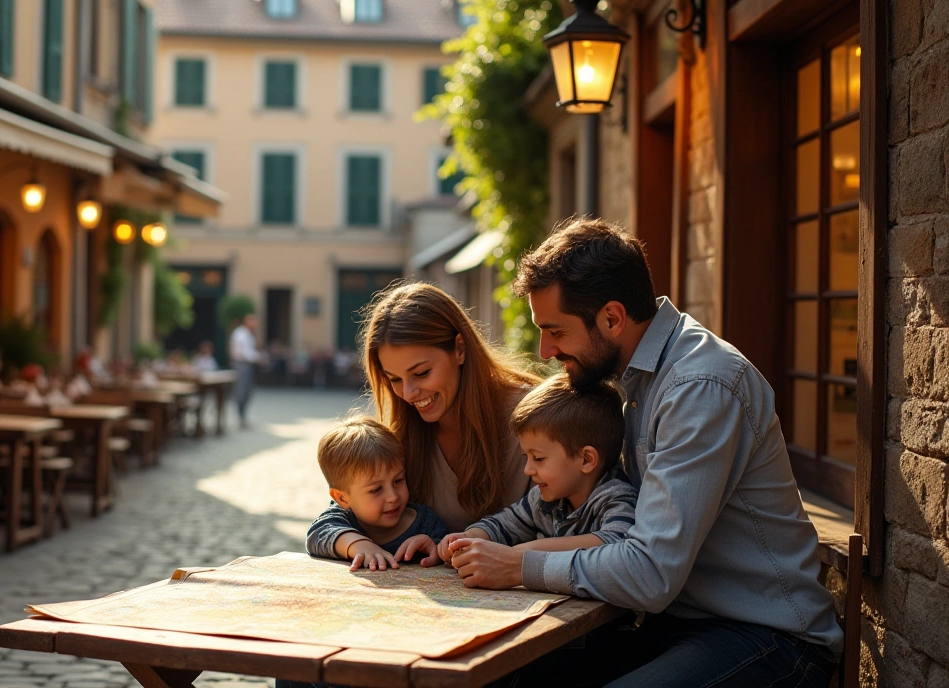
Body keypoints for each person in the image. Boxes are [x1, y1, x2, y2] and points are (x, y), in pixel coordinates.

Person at [445, 218, 839, 686]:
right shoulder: (633, 379)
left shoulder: (699, 386)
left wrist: (517, 565)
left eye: (556, 331)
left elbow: (650, 571)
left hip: (770, 636)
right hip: (673, 626)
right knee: (507, 674)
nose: (545, 350)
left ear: (612, 317)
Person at [305, 282, 540, 568]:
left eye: (421, 373)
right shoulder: (403, 430)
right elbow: (340, 514)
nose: (408, 394)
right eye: (394, 379)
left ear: (460, 350)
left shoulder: (532, 416)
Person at [437, 373, 637, 562]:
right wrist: (468, 538)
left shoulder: (617, 497)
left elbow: (616, 543)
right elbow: (503, 524)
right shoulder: (542, 500)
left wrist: (518, 555)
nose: (528, 470)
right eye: (527, 457)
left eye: (538, 458)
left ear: (586, 459)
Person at [306, 416, 449, 570]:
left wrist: (435, 549)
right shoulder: (342, 518)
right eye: (376, 489)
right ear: (342, 498)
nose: (393, 497)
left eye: (398, 480)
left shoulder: (426, 522)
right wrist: (360, 546)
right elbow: (317, 535)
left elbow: (451, 553)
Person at [228, 313, 260, 428]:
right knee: (241, 391)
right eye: (253, 321)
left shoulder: (248, 335)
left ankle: (243, 417)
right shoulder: (240, 334)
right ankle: (240, 417)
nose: (255, 324)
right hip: (241, 365)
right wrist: (258, 357)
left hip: (247, 365)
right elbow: (243, 353)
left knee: (247, 392)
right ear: (247, 322)